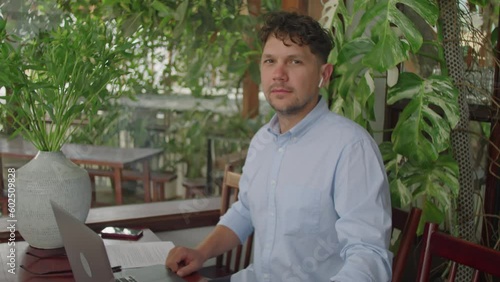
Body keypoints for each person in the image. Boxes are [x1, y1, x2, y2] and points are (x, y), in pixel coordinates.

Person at [166, 10, 393, 282]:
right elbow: (246, 210)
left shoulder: (351, 148)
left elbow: (368, 255)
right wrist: (201, 253)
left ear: (325, 74)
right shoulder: (263, 140)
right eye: (270, 61)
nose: (279, 74)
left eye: (295, 61)